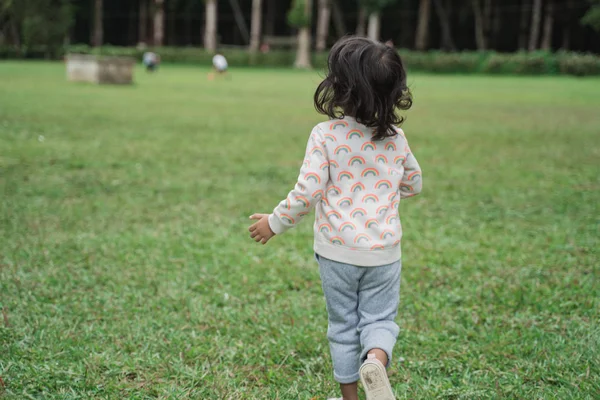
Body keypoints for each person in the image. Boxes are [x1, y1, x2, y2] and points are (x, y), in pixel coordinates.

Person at [248, 36, 422, 400]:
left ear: (341, 89)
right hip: (384, 253)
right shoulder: (396, 138)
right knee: (380, 321)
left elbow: (307, 192)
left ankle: (349, 398)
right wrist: (384, 192)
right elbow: (414, 183)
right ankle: (375, 358)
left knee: (343, 326)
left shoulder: (326, 135)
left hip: (337, 252)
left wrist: (274, 222)